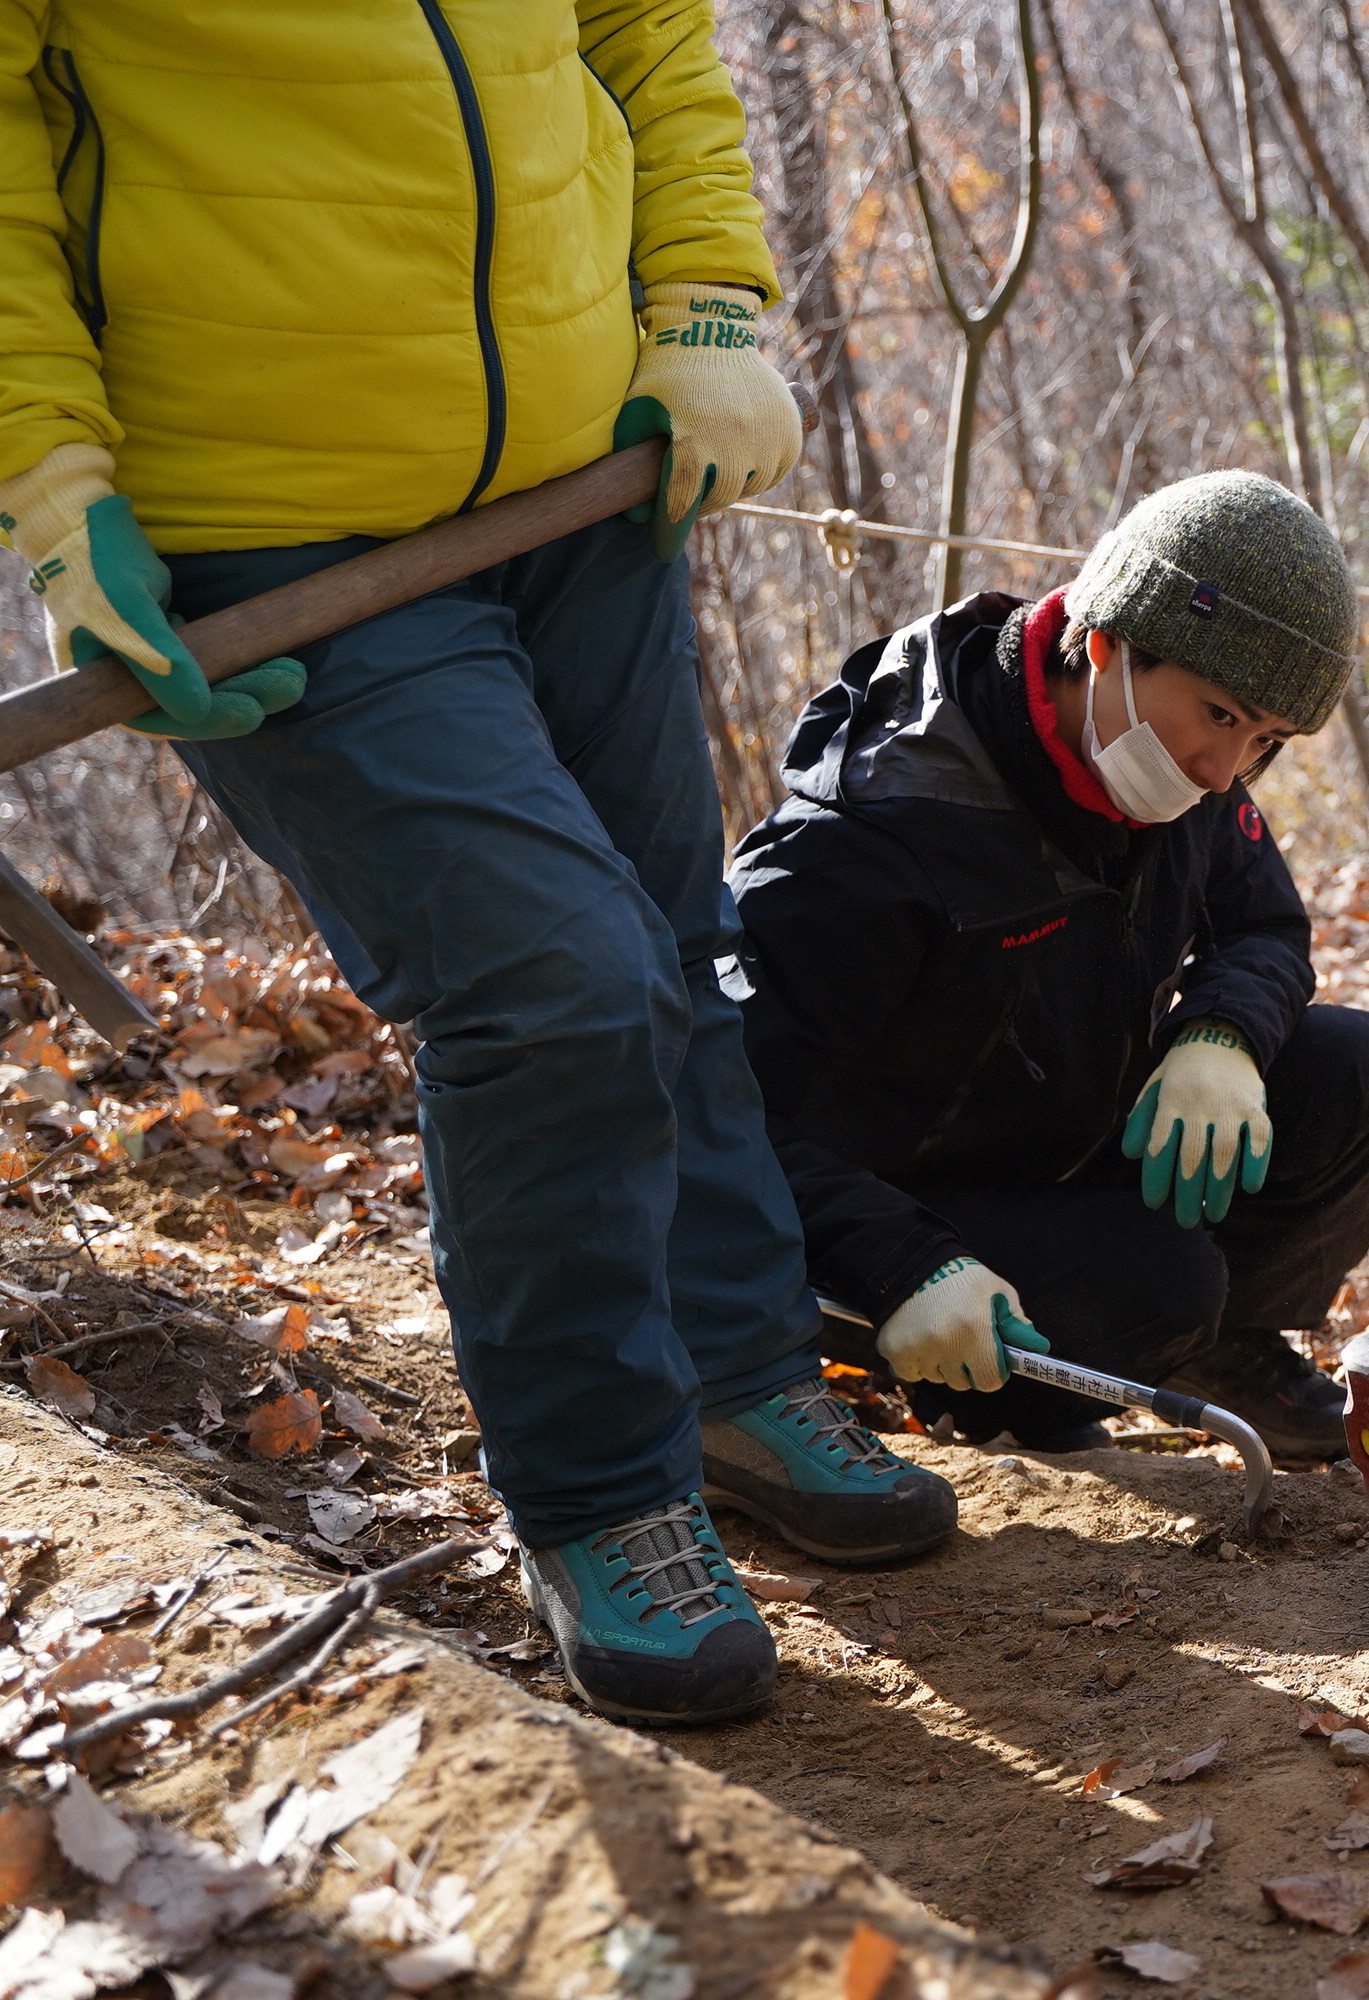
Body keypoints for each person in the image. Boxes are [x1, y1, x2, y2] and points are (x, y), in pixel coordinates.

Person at [0, 5, 955, 1728]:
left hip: (584, 490)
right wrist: (59, 492)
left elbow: (646, 28)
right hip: (273, 531)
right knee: (554, 986)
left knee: (668, 953)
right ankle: (600, 1494)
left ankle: (736, 1375)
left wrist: (705, 305)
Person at [726, 471, 1369, 1462]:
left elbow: (1263, 925)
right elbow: (724, 1112)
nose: (1228, 770)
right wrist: (901, 1257)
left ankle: (1217, 1350)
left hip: (1067, 1124)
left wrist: (1216, 1035)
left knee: (1356, 1065)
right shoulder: (872, 832)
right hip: (899, 1212)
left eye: (1266, 739)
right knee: (1160, 1279)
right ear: (1102, 646)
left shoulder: (1177, 772)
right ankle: (1002, 1367)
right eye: (1220, 715)